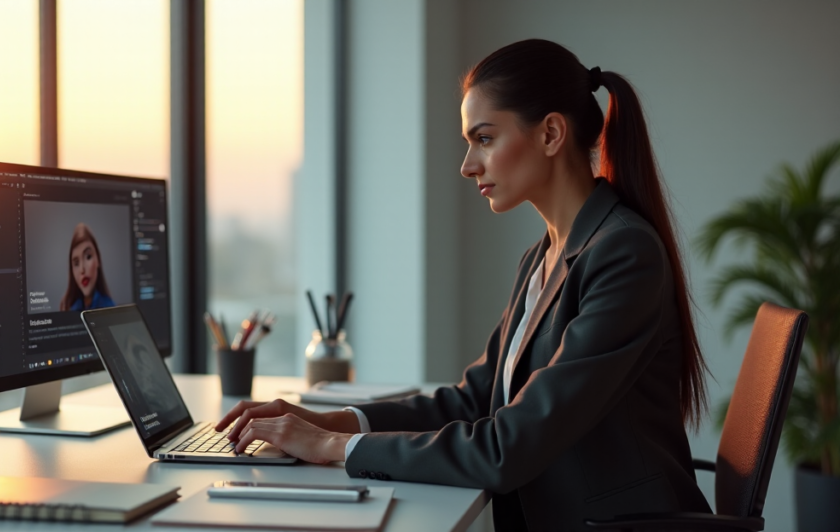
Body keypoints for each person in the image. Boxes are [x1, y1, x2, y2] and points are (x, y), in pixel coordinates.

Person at [215, 39, 714, 531]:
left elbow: (510, 446)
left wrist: (332, 449)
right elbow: (473, 401)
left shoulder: (624, 254)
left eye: (485, 138)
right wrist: (326, 422)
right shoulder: (543, 257)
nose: (468, 164)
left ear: (551, 134)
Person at [59, 223, 116, 311]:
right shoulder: (69, 308)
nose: (82, 269)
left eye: (88, 257)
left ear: (98, 260)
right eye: (76, 263)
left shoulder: (109, 308)